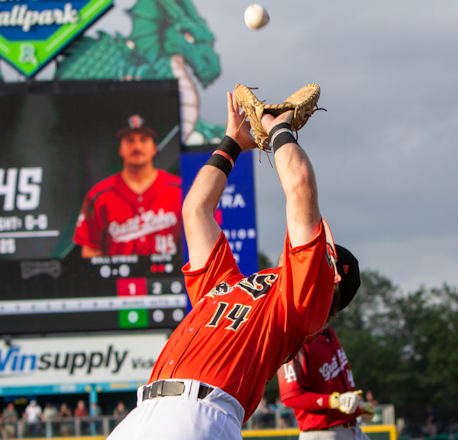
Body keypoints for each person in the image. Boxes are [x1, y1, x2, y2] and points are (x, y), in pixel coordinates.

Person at [106, 90, 359, 440]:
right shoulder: (229, 285)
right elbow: (195, 211)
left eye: (324, 252)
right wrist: (232, 143)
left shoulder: (301, 304)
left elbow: (299, 185)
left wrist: (278, 129)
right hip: (145, 414)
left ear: (328, 277)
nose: (317, 245)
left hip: (199, 415)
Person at [277, 245, 373, 439]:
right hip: (322, 434)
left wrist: (356, 406)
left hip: (352, 429)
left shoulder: (330, 334)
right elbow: (292, 397)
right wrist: (335, 402)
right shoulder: (296, 339)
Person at [73, 114, 182, 257]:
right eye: (130, 140)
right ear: (120, 150)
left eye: (143, 140)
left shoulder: (179, 189)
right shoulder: (99, 195)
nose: (137, 146)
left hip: (171, 276)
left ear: (154, 148)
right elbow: (91, 251)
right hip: (117, 277)